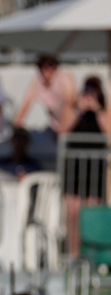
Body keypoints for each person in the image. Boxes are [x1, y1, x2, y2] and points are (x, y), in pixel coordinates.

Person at [62, 76, 108, 259]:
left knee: (91, 213)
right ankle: (73, 254)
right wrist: (79, 109)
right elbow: (62, 131)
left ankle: (91, 256)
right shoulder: (73, 108)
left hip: (95, 169)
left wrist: (98, 110)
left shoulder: (104, 110)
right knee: (73, 213)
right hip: (74, 168)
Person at [13, 55, 77, 139]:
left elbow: (69, 103)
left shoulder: (64, 76)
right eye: (42, 68)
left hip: (73, 123)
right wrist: (16, 128)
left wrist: (63, 129)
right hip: (56, 126)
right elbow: (26, 103)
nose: (45, 71)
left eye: (49, 67)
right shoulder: (38, 81)